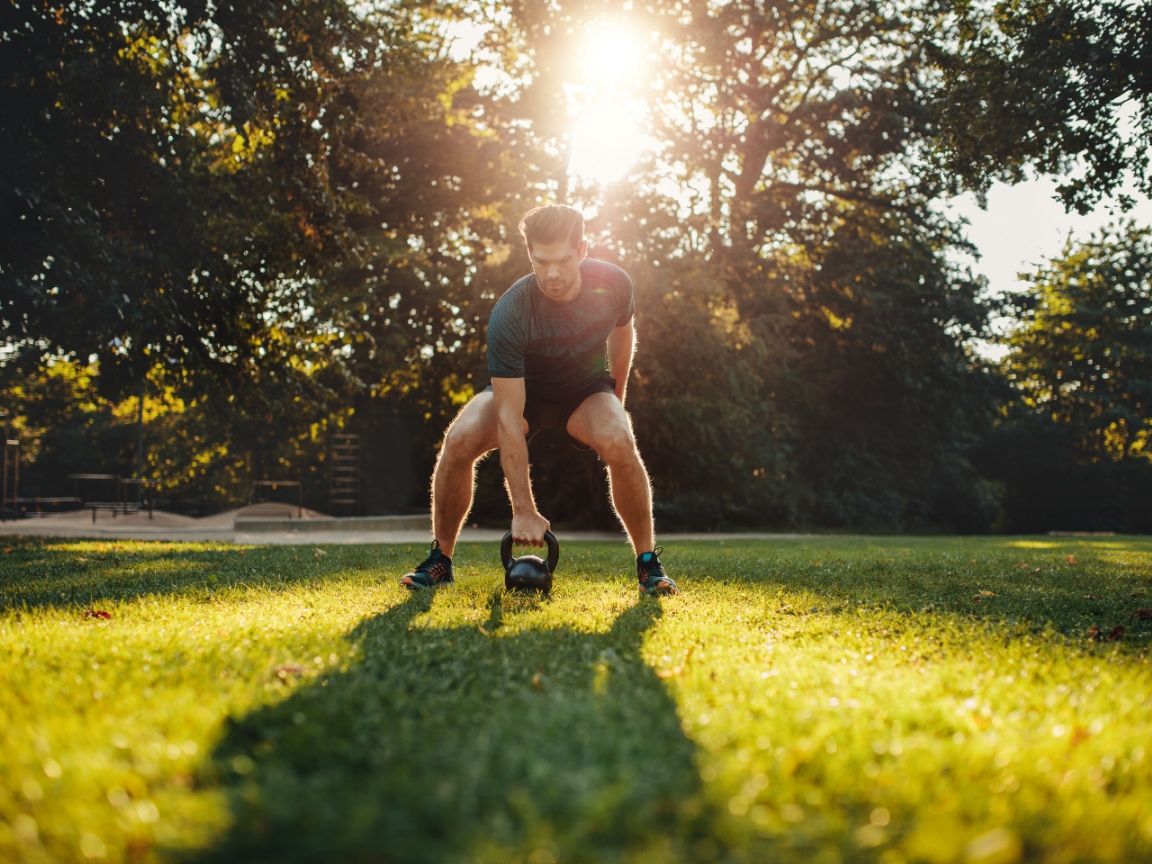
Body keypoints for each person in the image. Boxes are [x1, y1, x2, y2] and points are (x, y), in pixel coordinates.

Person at [400, 204, 678, 596]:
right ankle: (440, 561)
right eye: (540, 261)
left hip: (585, 391)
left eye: (562, 260)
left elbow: (623, 334)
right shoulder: (511, 313)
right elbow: (509, 419)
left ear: (582, 250)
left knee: (620, 438)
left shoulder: (614, 284)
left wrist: (616, 398)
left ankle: (648, 564)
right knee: (459, 439)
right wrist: (524, 512)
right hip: (524, 392)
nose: (551, 274)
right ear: (528, 253)